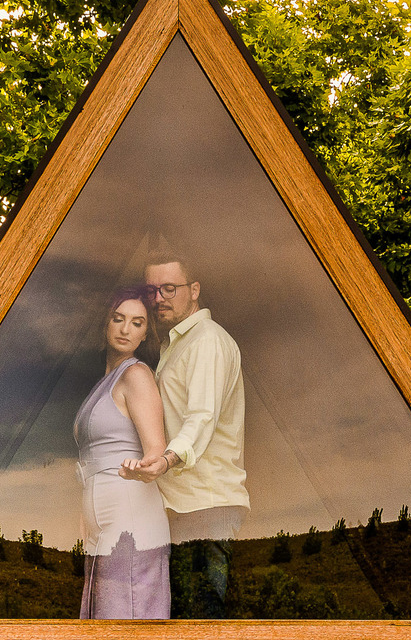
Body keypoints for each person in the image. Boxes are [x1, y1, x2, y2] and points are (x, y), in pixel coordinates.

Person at [120, 251, 248, 618]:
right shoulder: (175, 345)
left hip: (207, 506)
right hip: (184, 506)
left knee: (203, 621)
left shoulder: (207, 340)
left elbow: (201, 418)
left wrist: (164, 460)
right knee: (185, 619)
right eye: (152, 290)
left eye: (169, 288)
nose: (158, 298)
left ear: (194, 290)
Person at [74, 286, 171, 619]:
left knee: (124, 618)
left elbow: (156, 448)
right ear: (106, 323)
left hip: (130, 517)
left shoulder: (136, 374)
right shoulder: (106, 380)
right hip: (102, 524)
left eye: (138, 322)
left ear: (146, 333)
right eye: (119, 319)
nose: (126, 329)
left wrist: (142, 465)